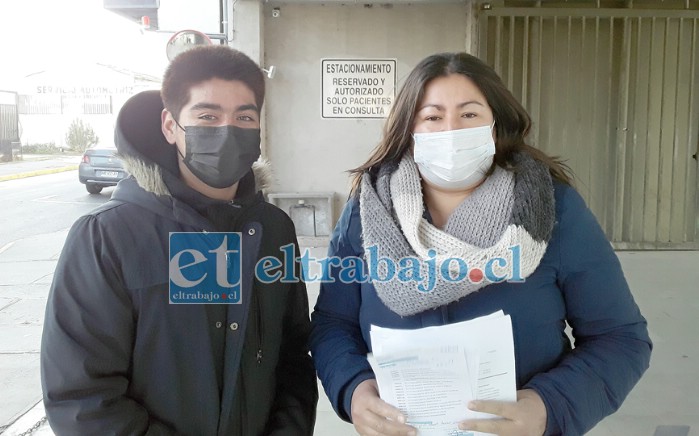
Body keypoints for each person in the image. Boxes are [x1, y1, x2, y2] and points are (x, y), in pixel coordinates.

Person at [309, 52, 651, 436]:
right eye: (432, 116)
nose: (451, 131)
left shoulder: (553, 211)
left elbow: (620, 338)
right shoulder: (367, 214)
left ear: (496, 124)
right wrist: (353, 389)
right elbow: (332, 324)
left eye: (469, 115)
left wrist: (549, 405)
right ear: (409, 129)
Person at [41, 45, 318, 435]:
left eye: (244, 116)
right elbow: (82, 397)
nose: (227, 130)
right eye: (207, 115)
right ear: (170, 126)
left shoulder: (273, 230)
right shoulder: (108, 236)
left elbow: (292, 358)